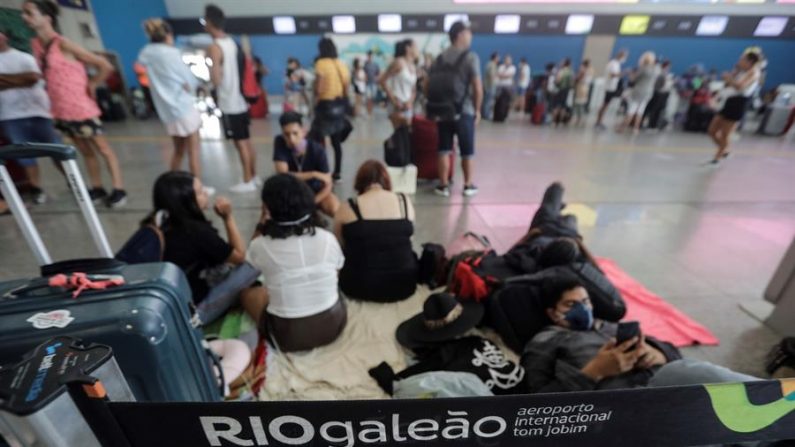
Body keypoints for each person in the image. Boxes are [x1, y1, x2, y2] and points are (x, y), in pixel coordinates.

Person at [522, 276, 756, 393]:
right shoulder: (546, 341)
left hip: (672, 386)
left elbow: (674, 354)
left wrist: (656, 354)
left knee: (693, 371)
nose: (583, 309)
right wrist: (593, 372)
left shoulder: (612, 327)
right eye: (570, 305)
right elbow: (535, 407)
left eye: (585, 302)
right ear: (552, 314)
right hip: (626, 407)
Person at [22, 0, 127, 208]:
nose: (25, 17)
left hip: (82, 108)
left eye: (29, 13)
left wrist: (93, 84)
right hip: (61, 110)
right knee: (85, 151)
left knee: (103, 149)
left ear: (47, 18)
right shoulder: (35, 45)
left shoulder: (63, 44)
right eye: (24, 13)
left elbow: (104, 65)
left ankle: (118, 189)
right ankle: (97, 187)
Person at [246, 174, 347, 352]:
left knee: (248, 292)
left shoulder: (260, 245)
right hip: (334, 327)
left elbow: (249, 265)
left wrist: (261, 224)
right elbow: (337, 272)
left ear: (267, 208)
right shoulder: (327, 238)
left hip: (287, 336)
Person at [138, 19, 214, 194]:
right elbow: (189, 80)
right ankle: (198, 189)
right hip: (183, 107)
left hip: (167, 112)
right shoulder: (171, 54)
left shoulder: (147, 55)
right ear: (167, 35)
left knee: (178, 151)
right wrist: (193, 85)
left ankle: (170, 188)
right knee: (194, 150)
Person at [333, 160, 418, 302]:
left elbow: (338, 246)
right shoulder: (404, 201)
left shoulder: (348, 206)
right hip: (405, 285)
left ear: (359, 183)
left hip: (359, 287)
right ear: (386, 181)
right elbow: (410, 240)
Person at [0, 26, 60, 205]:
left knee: (56, 149)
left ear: (4, 35)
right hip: (9, 115)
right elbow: (27, 79)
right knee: (24, 155)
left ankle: (74, 182)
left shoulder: (24, 57)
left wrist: (4, 79)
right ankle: (36, 188)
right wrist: (21, 79)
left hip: (38, 112)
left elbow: (34, 78)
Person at [203, 4, 259, 193]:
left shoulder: (214, 47)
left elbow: (216, 79)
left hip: (229, 101)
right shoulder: (233, 43)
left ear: (210, 23)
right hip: (242, 99)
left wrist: (208, 66)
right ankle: (253, 175)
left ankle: (246, 180)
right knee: (247, 140)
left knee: (239, 142)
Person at [429, 21, 482, 198]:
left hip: (442, 110)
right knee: (467, 150)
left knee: (443, 149)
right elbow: (477, 87)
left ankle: (443, 185)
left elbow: (427, 85)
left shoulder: (439, 57)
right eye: (468, 33)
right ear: (459, 35)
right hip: (463, 111)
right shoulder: (470, 57)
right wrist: (478, 110)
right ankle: (467, 185)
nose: (471, 36)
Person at [273, 111, 339, 217]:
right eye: (286, 134)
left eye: (295, 133)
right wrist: (314, 174)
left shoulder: (317, 149)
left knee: (335, 208)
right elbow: (283, 175)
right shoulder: (280, 142)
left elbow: (328, 183)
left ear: (303, 131)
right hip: (291, 192)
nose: (291, 139)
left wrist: (312, 203)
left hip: (315, 192)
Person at [707, 51, 761, 165]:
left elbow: (740, 87)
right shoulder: (740, 71)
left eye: (742, 59)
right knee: (712, 130)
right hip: (728, 101)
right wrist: (732, 76)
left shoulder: (754, 73)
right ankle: (724, 150)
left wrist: (729, 78)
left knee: (725, 134)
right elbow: (728, 85)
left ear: (750, 62)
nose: (739, 61)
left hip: (738, 103)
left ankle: (717, 157)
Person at [310, 37, 351, 183]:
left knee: (315, 139)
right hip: (338, 106)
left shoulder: (321, 64)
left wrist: (315, 97)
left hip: (325, 106)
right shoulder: (341, 64)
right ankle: (337, 173)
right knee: (336, 142)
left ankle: (319, 169)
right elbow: (346, 87)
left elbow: (319, 88)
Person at [380, 39, 418, 129]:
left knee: (408, 136)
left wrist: (410, 102)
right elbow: (382, 80)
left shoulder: (412, 65)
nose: (417, 50)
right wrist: (393, 100)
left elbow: (413, 88)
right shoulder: (398, 62)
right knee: (400, 135)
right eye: (415, 47)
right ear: (408, 48)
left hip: (408, 105)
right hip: (397, 104)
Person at [616, 52, 657, 134]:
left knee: (631, 110)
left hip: (638, 91)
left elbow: (633, 80)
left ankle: (622, 128)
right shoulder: (654, 69)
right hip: (648, 93)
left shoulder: (643, 68)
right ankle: (636, 128)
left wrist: (630, 74)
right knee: (640, 111)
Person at [595, 50, 628, 130]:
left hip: (611, 87)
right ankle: (599, 122)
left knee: (605, 105)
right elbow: (613, 74)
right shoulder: (614, 64)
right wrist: (624, 73)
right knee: (605, 105)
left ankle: (599, 122)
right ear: (621, 56)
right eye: (624, 57)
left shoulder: (615, 63)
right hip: (610, 88)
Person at [642, 60, 673, 131]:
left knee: (658, 110)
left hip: (662, 93)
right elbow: (658, 83)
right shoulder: (660, 72)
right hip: (657, 93)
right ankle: (650, 125)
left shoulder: (665, 73)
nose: (669, 68)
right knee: (653, 109)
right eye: (668, 66)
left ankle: (653, 125)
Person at [552, 58, 573, 126]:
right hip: (567, 90)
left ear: (565, 63)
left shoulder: (562, 71)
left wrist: (555, 82)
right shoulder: (570, 72)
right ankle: (561, 121)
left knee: (556, 105)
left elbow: (558, 80)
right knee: (563, 106)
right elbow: (572, 82)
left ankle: (554, 121)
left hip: (560, 89)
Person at [573, 59, 593, 126]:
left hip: (581, 87)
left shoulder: (583, 70)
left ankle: (579, 119)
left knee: (579, 104)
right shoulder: (591, 70)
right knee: (582, 104)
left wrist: (575, 78)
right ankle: (582, 119)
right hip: (586, 87)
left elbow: (579, 78)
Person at [482, 52, 499, 120]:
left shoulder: (488, 64)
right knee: (489, 101)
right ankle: (487, 115)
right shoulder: (492, 65)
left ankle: (484, 114)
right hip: (490, 86)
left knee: (486, 100)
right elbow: (491, 75)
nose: (498, 59)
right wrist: (493, 84)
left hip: (487, 85)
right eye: (498, 57)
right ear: (495, 58)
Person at [363, 50, 380, 115]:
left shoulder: (375, 64)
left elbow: (378, 73)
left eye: (371, 56)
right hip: (367, 83)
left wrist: (377, 79)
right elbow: (363, 73)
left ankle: (371, 110)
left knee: (372, 98)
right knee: (368, 98)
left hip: (374, 83)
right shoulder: (365, 64)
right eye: (369, 55)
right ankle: (368, 111)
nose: (370, 57)